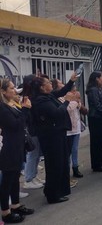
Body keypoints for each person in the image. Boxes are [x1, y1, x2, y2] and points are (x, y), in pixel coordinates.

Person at [30, 73, 78, 204]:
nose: (51, 84)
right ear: (41, 87)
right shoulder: (40, 101)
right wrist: (67, 101)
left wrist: (70, 81)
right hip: (51, 137)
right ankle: (53, 194)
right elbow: (57, 113)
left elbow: (61, 91)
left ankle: (60, 190)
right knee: (54, 165)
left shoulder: (48, 96)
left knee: (62, 162)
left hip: (58, 134)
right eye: (48, 83)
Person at [0, 79, 34, 223]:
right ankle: (5, 212)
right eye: (12, 88)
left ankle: (15, 205)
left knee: (15, 177)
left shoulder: (12, 104)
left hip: (18, 146)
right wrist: (25, 109)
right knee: (7, 180)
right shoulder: (2, 108)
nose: (15, 91)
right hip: (9, 148)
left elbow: (24, 122)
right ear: (3, 92)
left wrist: (25, 108)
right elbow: (15, 125)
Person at [21, 75, 45, 190]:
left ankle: (33, 176)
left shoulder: (33, 95)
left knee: (36, 155)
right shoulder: (27, 97)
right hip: (32, 129)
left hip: (36, 128)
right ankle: (28, 178)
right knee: (33, 154)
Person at [86, 71, 102, 172]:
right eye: (101, 77)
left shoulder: (98, 89)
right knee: (96, 141)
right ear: (97, 78)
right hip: (95, 118)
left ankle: (101, 161)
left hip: (99, 117)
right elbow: (97, 105)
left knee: (101, 141)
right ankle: (96, 164)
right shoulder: (93, 90)